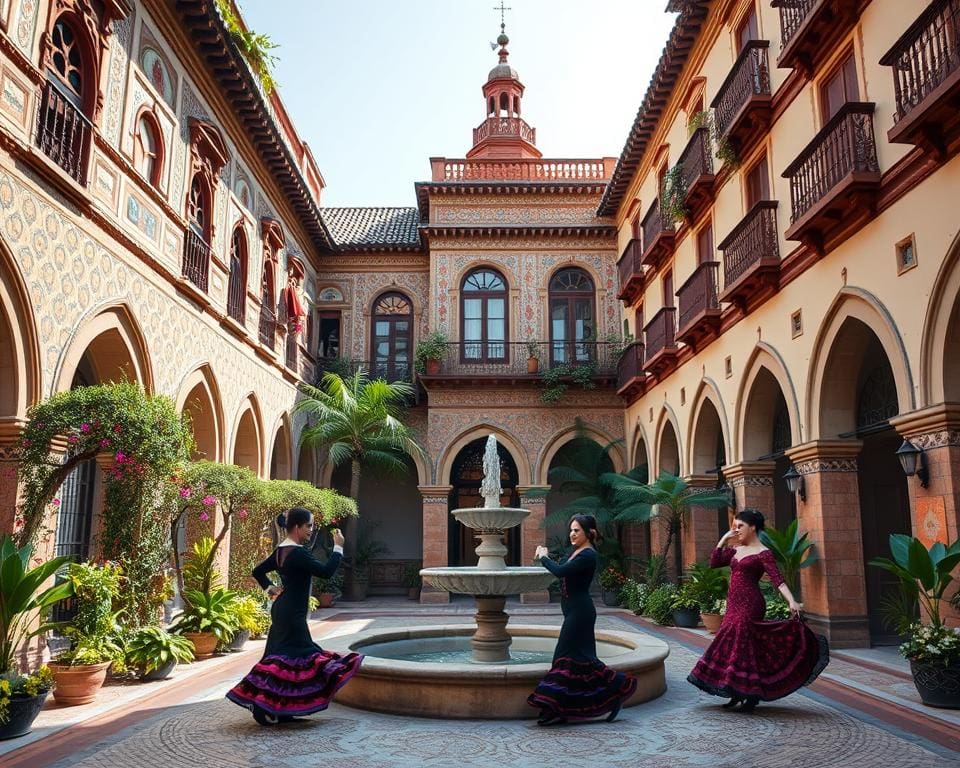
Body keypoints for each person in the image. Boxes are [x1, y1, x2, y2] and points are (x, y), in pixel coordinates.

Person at [226, 507, 363, 725]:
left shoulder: (282, 550)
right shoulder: (298, 553)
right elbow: (326, 572)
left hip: (283, 609)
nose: (311, 530)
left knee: (281, 658)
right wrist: (338, 547)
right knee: (304, 656)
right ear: (297, 527)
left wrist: (270, 589)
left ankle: (274, 709)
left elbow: (258, 571)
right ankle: (269, 708)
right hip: (292, 613)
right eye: (308, 526)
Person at [687, 508, 829, 712]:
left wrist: (791, 601)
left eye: (740, 526)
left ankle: (751, 696)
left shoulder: (764, 553)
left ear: (752, 527)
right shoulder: (736, 549)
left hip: (750, 604)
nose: (736, 530)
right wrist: (725, 538)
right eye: (734, 526)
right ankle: (736, 691)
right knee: (733, 646)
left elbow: (777, 579)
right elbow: (715, 562)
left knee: (742, 648)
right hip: (733, 604)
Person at [528, 514, 638, 725]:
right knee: (581, 661)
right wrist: (543, 558)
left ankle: (618, 686)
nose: (572, 533)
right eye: (571, 530)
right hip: (573, 612)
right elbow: (563, 569)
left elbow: (559, 571)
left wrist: (544, 557)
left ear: (589, 533)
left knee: (563, 657)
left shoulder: (588, 555)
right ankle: (565, 707)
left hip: (581, 613)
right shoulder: (576, 552)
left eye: (576, 530)